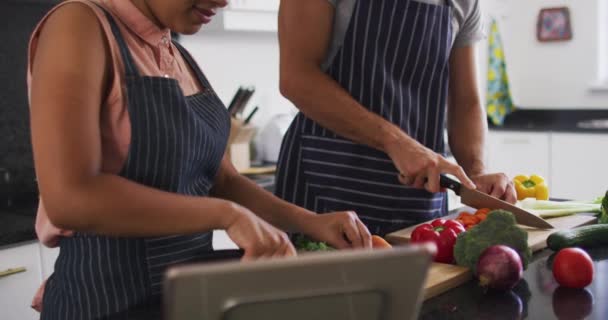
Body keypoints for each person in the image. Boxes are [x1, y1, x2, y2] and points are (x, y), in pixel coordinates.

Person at [27, 0, 372, 318]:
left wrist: (309, 221)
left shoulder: (176, 53)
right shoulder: (79, 25)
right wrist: (227, 216)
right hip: (104, 304)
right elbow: (69, 199)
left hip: (188, 299)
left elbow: (223, 180)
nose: (223, 2)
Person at [275, 0, 517, 236]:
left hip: (418, 201)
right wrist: (396, 142)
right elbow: (296, 78)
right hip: (325, 187)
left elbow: (466, 102)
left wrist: (476, 173)